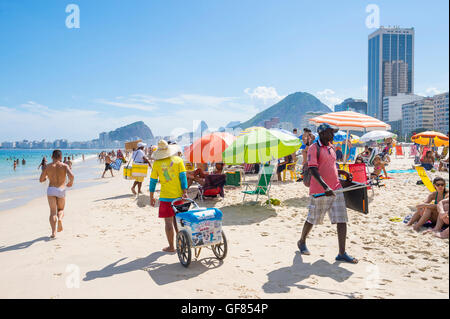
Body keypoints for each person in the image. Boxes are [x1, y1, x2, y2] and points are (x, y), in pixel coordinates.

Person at [297, 123, 358, 264]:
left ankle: (342, 253)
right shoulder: (314, 148)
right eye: (331, 132)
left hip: (336, 189)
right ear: (323, 133)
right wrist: (325, 187)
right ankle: (302, 241)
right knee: (313, 218)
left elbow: (331, 166)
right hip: (320, 191)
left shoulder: (331, 147)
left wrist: (342, 172)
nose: (333, 135)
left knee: (342, 219)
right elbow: (313, 169)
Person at [149, 140, 188, 253]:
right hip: (178, 197)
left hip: (165, 198)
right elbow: (183, 178)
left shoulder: (157, 164)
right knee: (178, 221)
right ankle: (181, 243)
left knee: (168, 223)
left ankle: (171, 247)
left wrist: (151, 197)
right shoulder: (179, 160)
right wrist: (184, 192)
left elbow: (153, 181)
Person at [39, 150, 74, 239]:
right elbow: (72, 176)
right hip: (61, 189)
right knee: (61, 209)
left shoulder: (47, 166)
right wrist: (70, 182)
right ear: (61, 157)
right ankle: (60, 219)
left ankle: (54, 232)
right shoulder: (64, 166)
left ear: (52, 157)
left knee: (52, 212)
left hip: (51, 190)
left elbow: (41, 179)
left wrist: (46, 178)